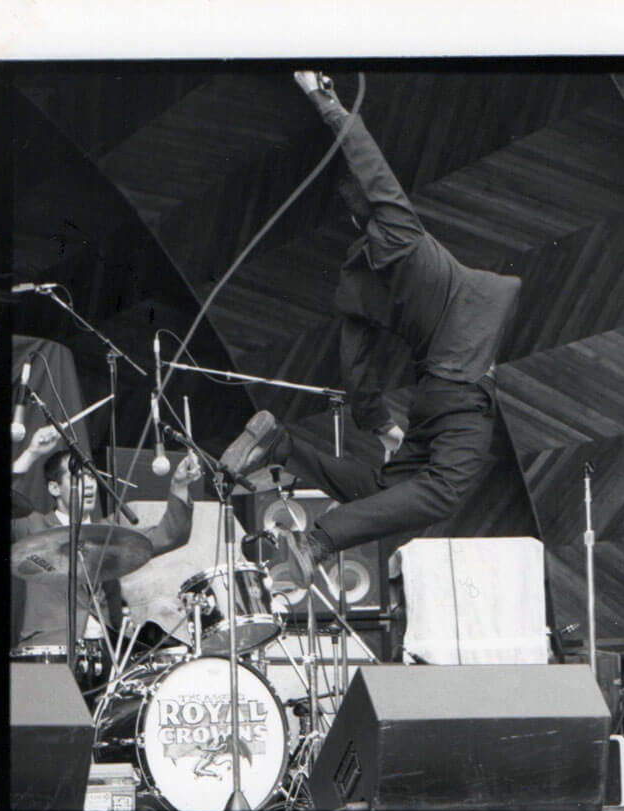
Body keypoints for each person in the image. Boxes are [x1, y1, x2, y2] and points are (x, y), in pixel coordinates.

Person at [220, 71, 522, 572]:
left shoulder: (355, 280)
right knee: (443, 491)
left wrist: (381, 424)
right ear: (376, 210)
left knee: (389, 491)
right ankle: (319, 541)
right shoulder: (405, 236)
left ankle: (282, 444)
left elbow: (356, 366)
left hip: (432, 399)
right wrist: (326, 101)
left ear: (352, 221)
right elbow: (371, 164)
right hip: (459, 393)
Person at [11, 425, 200, 654]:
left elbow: (171, 535)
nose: (89, 483)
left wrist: (179, 485)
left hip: (107, 648)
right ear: (54, 487)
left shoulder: (110, 532)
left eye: (91, 476)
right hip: (50, 647)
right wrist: (31, 452)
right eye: (78, 477)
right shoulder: (33, 526)